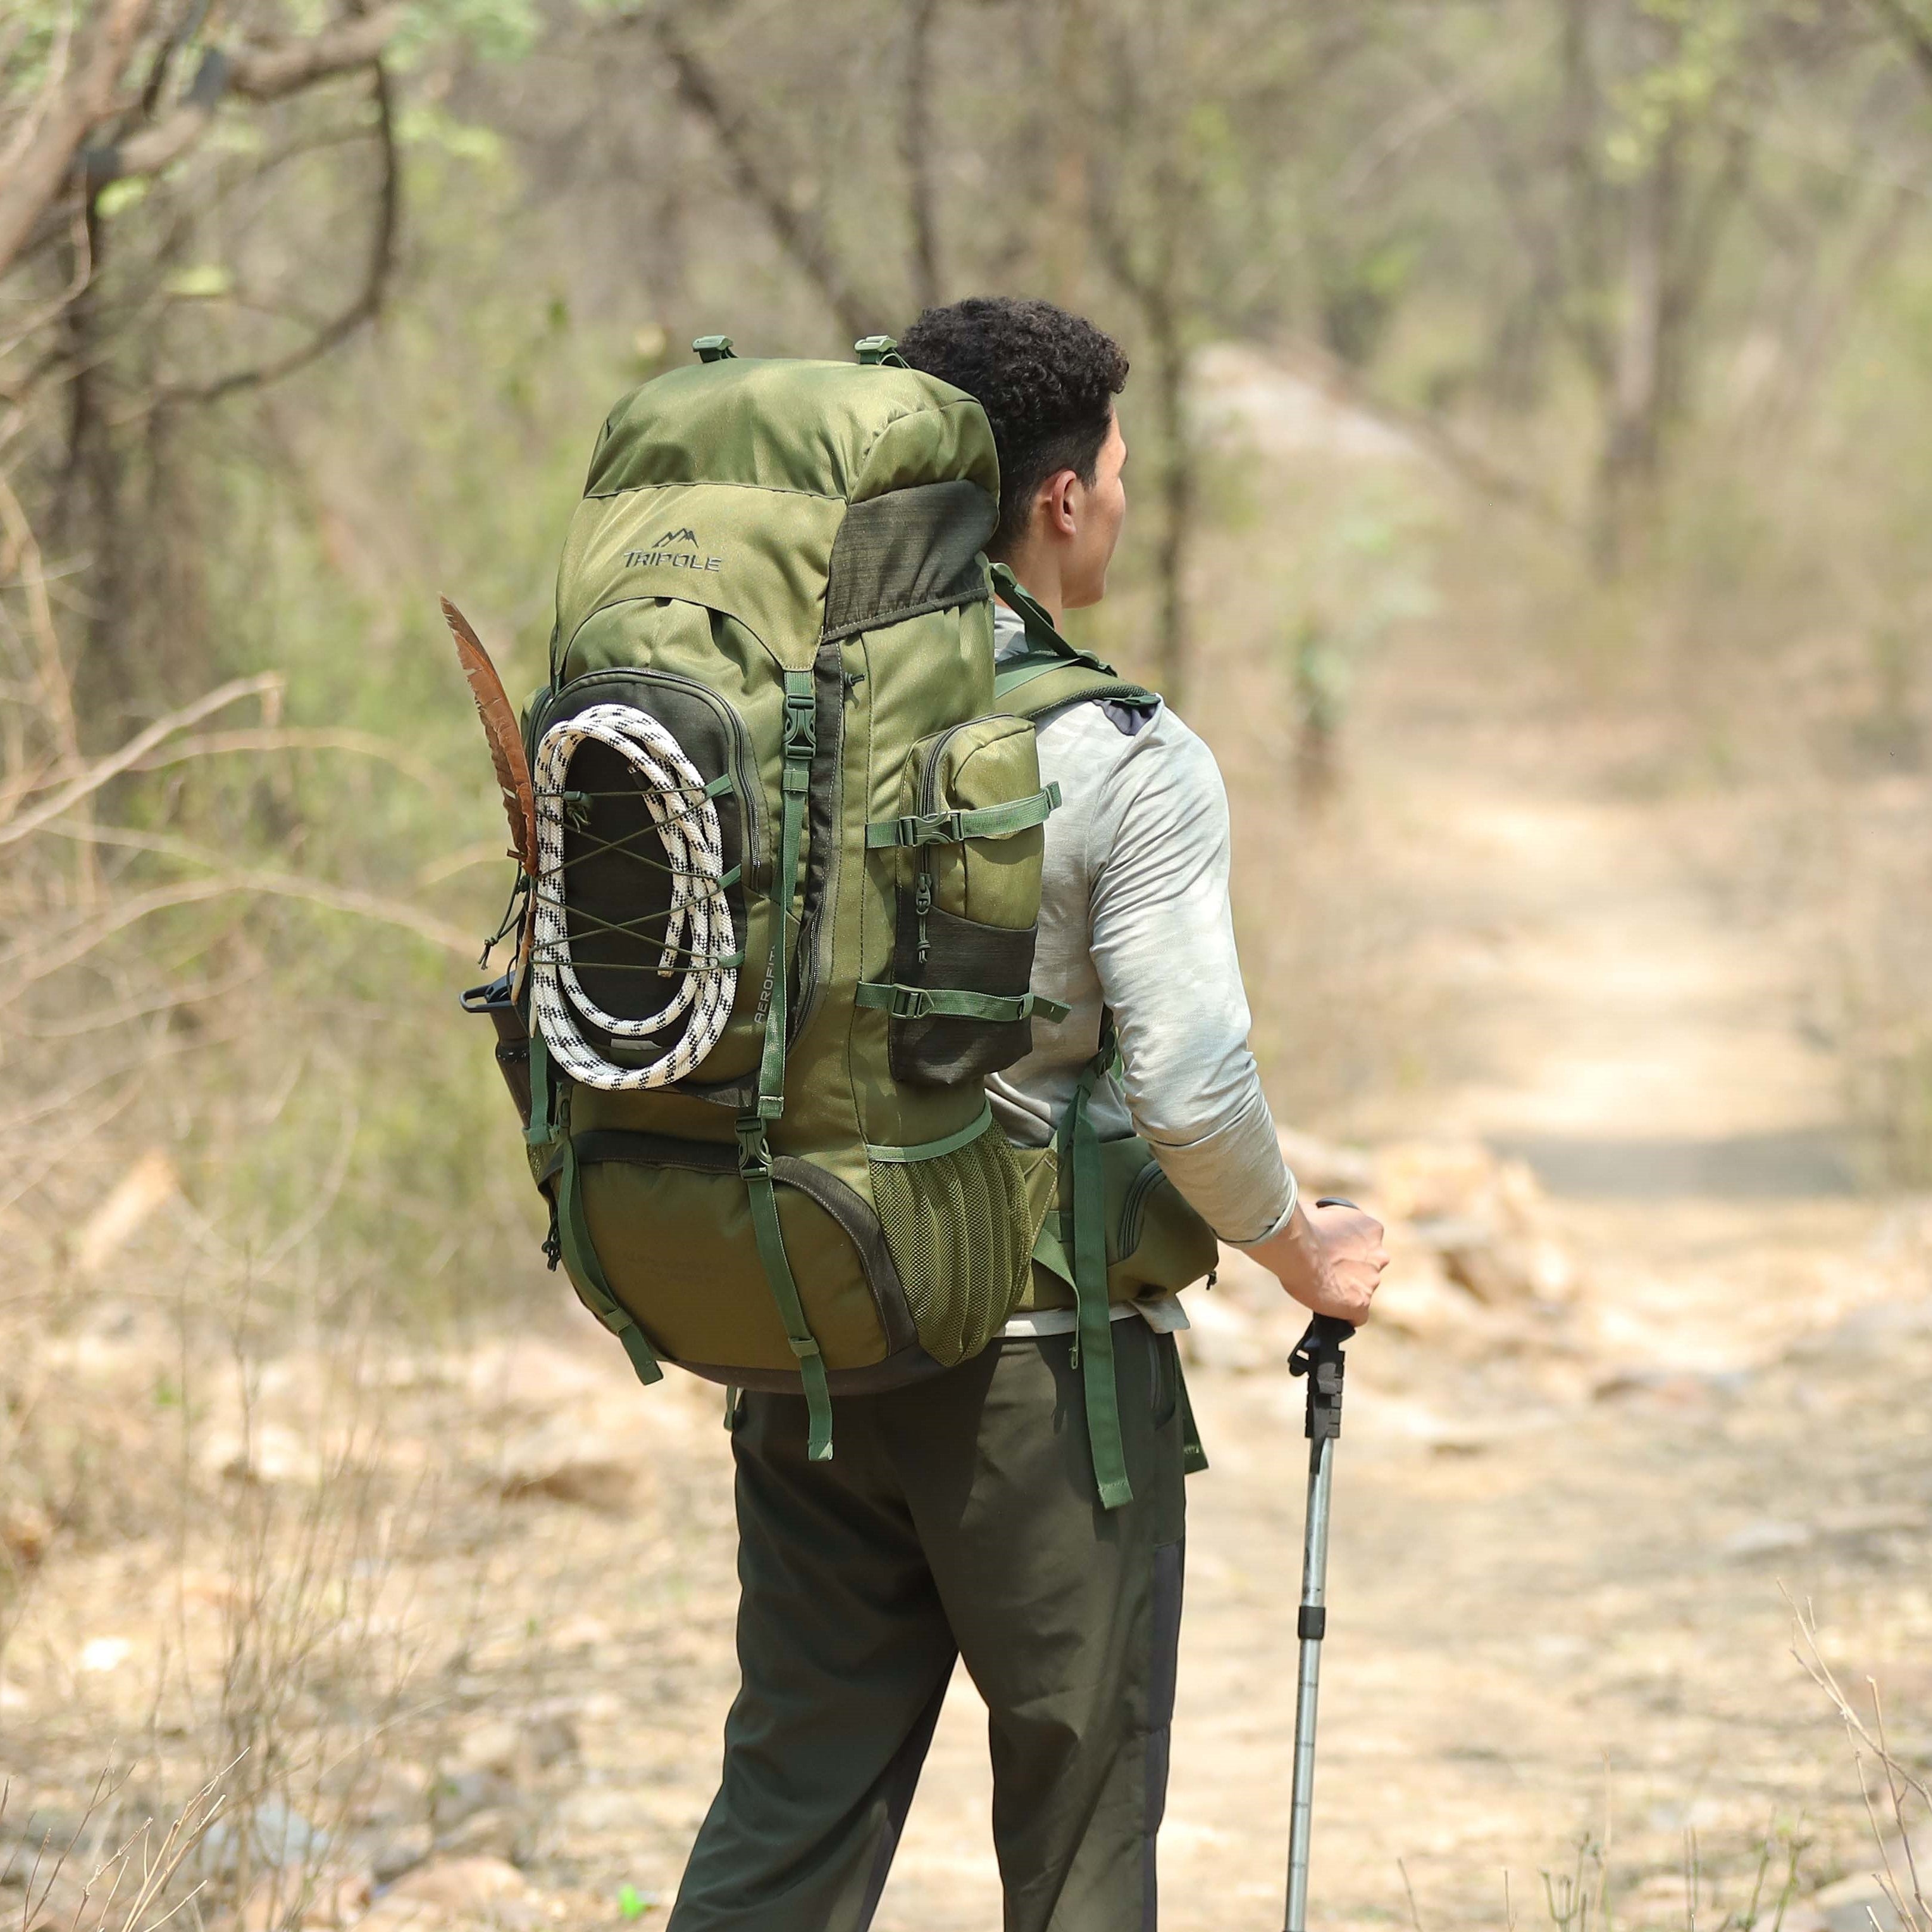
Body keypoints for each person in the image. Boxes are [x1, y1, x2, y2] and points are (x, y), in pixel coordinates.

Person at [667, 296, 1388, 1932]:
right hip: (1037, 1376)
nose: (1122, 498)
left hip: (805, 1324)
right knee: (1078, 1829)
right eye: (1117, 471)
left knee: (787, 1806)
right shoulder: (1122, 753)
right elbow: (1192, 1087)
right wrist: (1300, 1248)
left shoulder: (786, 721)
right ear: (1062, 498)